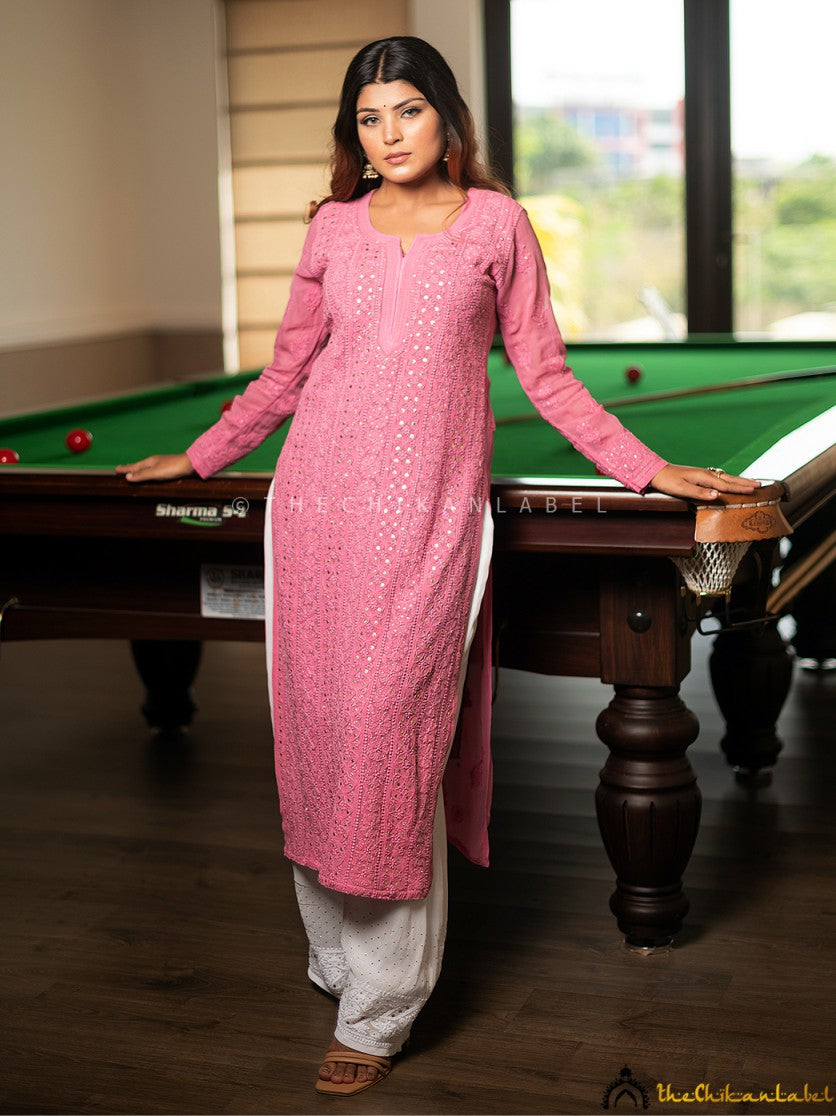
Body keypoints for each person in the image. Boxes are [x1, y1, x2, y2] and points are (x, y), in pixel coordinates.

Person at [117, 36, 760, 1097]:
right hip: (310, 513)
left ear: (445, 118)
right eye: (368, 119)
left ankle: (379, 1011)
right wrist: (201, 454)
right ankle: (338, 960)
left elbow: (547, 378)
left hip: (424, 528)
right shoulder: (332, 227)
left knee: (385, 739)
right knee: (318, 735)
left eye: (406, 112)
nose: (387, 135)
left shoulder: (496, 226)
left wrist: (649, 471)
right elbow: (287, 371)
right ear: (352, 134)